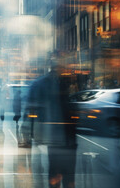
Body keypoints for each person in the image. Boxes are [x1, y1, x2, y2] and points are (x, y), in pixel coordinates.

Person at [29, 58, 77, 188]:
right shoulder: (52, 83)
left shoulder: (61, 82)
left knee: (59, 172)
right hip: (60, 137)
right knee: (63, 173)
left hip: (61, 137)